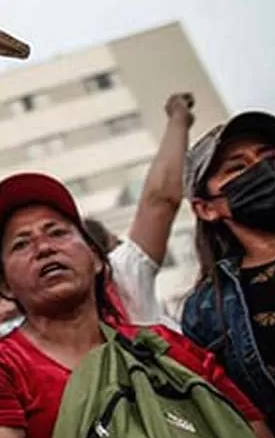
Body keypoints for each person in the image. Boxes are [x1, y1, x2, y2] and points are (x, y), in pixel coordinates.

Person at [0, 172, 275, 438]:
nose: (44, 248)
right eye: (21, 244)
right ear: (4, 284)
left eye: (57, 232)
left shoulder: (164, 347)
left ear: (96, 259)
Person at [181, 110, 275, 436]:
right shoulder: (206, 310)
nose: (262, 169)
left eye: (271, 157)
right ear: (206, 208)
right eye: (237, 168)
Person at [83, 92, 197, 328]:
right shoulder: (120, 273)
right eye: (118, 243)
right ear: (98, 256)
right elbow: (161, 199)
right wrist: (179, 117)